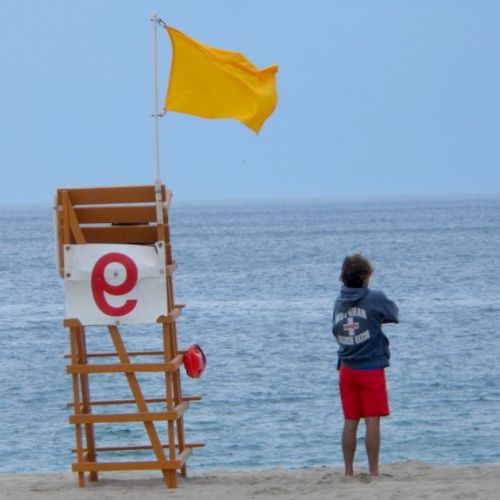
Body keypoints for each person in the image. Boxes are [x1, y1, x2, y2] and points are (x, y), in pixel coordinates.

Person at [332, 253, 399, 476]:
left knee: (350, 420)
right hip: (370, 368)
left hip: (347, 368)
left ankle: (348, 472)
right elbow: (393, 313)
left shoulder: (339, 302)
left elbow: (336, 330)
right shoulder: (375, 297)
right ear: (365, 276)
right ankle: (373, 472)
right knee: (372, 421)